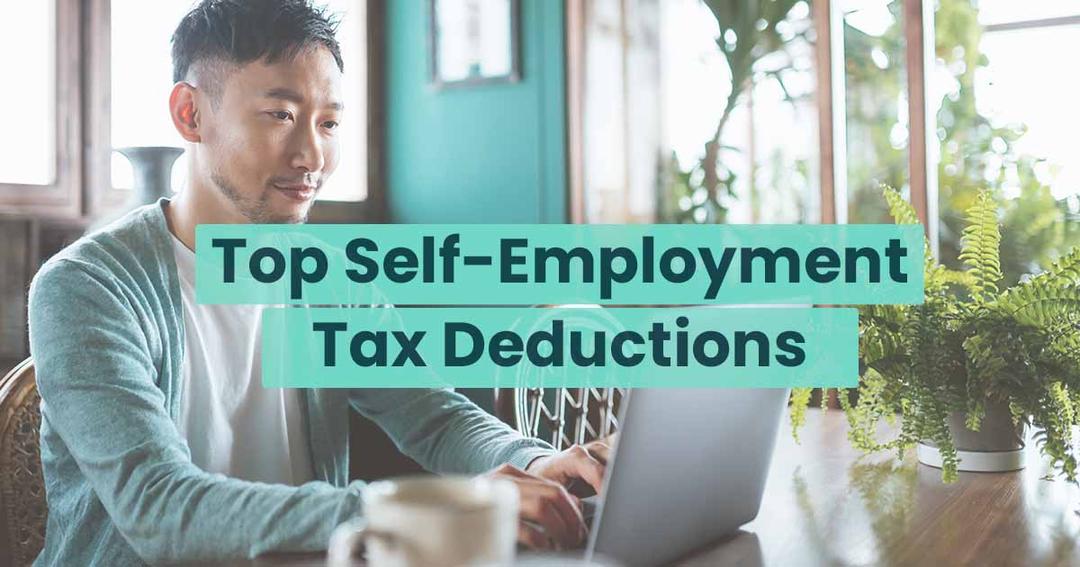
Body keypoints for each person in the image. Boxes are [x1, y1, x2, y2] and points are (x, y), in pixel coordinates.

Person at [27, 1, 608, 564]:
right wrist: (401, 512)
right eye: (280, 115)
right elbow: (159, 507)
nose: (312, 155)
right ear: (190, 114)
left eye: (328, 123)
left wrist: (534, 464)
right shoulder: (85, 288)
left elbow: (432, 415)